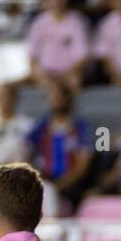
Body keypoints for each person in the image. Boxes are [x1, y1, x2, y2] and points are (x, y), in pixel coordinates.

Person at [25, 82, 95, 212]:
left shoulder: (82, 127)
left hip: (73, 182)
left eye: (60, 97)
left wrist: (61, 184)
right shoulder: (41, 126)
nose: (57, 100)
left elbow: (84, 164)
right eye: (53, 97)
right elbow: (25, 150)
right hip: (46, 178)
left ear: (69, 99)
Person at [25, 0, 90, 93]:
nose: (57, 1)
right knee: (5, 89)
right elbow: (32, 57)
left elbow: (83, 57)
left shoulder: (77, 22)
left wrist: (64, 75)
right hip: (45, 74)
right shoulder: (38, 23)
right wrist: (39, 74)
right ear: (46, 0)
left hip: (69, 74)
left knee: (74, 82)